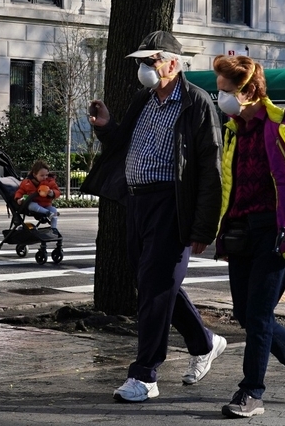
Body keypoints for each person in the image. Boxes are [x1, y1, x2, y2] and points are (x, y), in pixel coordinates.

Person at [80, 31, 226, 403]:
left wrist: (203, 227)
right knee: (153, 283)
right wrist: (105, 126)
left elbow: (211, 169)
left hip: (171, 205)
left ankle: (145, 375)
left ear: (173, 63)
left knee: (155, 288)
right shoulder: (143, 99)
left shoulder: (196, 103)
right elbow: (122, 144)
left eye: (151, 60)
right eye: (142, 61)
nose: (145, 67)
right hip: (138, 204)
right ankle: (204, 342)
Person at [212, 54, 285, 418]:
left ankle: (251, 392)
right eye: (219, 90)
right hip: (241, 232)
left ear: (249, 90)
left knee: (259, 315)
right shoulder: (233, 130)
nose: (221, 97)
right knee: (245, 314)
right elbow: (229, 184)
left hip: (275, 233)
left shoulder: (281, 126)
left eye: (226, 90)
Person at [14, 160, 61, 232]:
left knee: (54, 210)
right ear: (35, 175)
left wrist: (52, 193)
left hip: (46, 205)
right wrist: (18, 199)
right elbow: (20, 191)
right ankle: (48, 213)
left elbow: (57, 191)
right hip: (33, 204)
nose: (45, 177)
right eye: (42, 175)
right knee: (31, 205)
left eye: (46, 175)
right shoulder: (26, 183)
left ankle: (53, 228)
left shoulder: (50, 182)